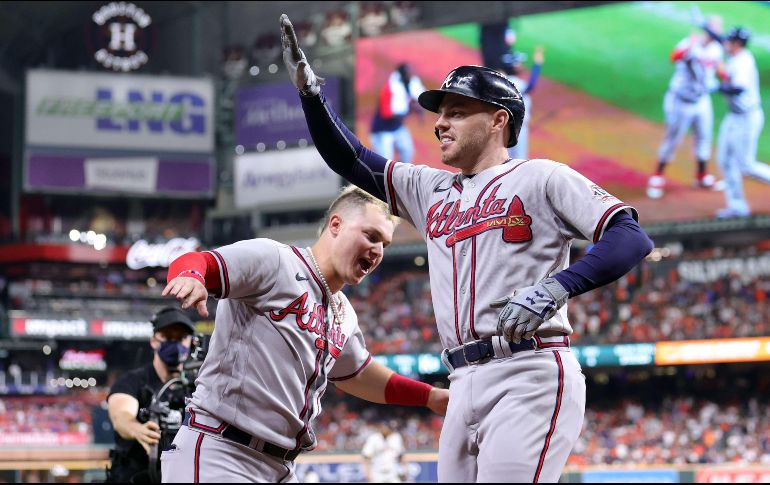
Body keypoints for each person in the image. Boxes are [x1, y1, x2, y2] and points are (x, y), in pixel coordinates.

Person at [281, 14, 653, 482]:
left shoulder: (541, 176)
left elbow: (630, 235)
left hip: (528, 370)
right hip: (460, 381)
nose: (440, 124)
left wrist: (557, 288)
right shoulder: (427, 187)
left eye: (457, 112)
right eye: (440, 113)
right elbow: (351, 158)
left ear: (499, 120)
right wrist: (312, 96)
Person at [159, 186, 449, 482]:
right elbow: (198, 261)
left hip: (281, 466)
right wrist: (192, 277)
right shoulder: (275, 261)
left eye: (384, 243)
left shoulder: (344, 311)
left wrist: (429, 396)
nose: (378, 251)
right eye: (371, 236)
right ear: (335, 225)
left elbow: (359, 375)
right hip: (222, 453)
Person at [106, 307, 197, 483]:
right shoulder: (133, 381)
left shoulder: (197, 386)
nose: (175, 343)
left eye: (181, 338)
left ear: (191, 342)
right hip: (135, 476)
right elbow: (121, 415)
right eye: (168, 337)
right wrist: (137, 429)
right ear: (154, 341)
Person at [647, 15, 724, 199]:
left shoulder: (716, 49)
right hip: (680, 101)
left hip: (702, 100)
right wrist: (690, 46)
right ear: (708, 28)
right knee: (672, 139)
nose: (718, 32)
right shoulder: (690, 43)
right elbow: (673, 57)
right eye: (716, 28)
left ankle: (702, 176)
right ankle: (657, 177)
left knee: (704, 138)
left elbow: (718, 68)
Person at [715, 26, 770, 219]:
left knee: (747, 165)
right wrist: (706, 26)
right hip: (734, 117)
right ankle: (738, 207)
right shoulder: (737, 54)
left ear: (737, 44)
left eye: (729, 41)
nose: (725, 43)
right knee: (725, 160)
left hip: (747, 118)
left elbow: (738, 88)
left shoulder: (743, 63)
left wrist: (716, 87)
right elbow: (721, 40)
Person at [370, 63, 426, 164]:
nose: (411, 74)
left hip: (397, 127)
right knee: (386, 162)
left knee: (407, 151)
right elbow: (387, 114)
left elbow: (416, 100)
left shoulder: (409, 85)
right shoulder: (390, 89)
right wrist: (409, 109)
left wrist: (418, 111)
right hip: (382, 130)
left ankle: (400, 176)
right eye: (408, 72)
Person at [500, 47, 544, 160]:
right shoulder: (514, 83)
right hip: (517, 130)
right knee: (519, 162)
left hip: (506, 129)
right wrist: (537, 65)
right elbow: (531, 86)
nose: (522, 65)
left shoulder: (504, 81)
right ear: (513, 66)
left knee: (506, 160)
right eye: (520, 63)